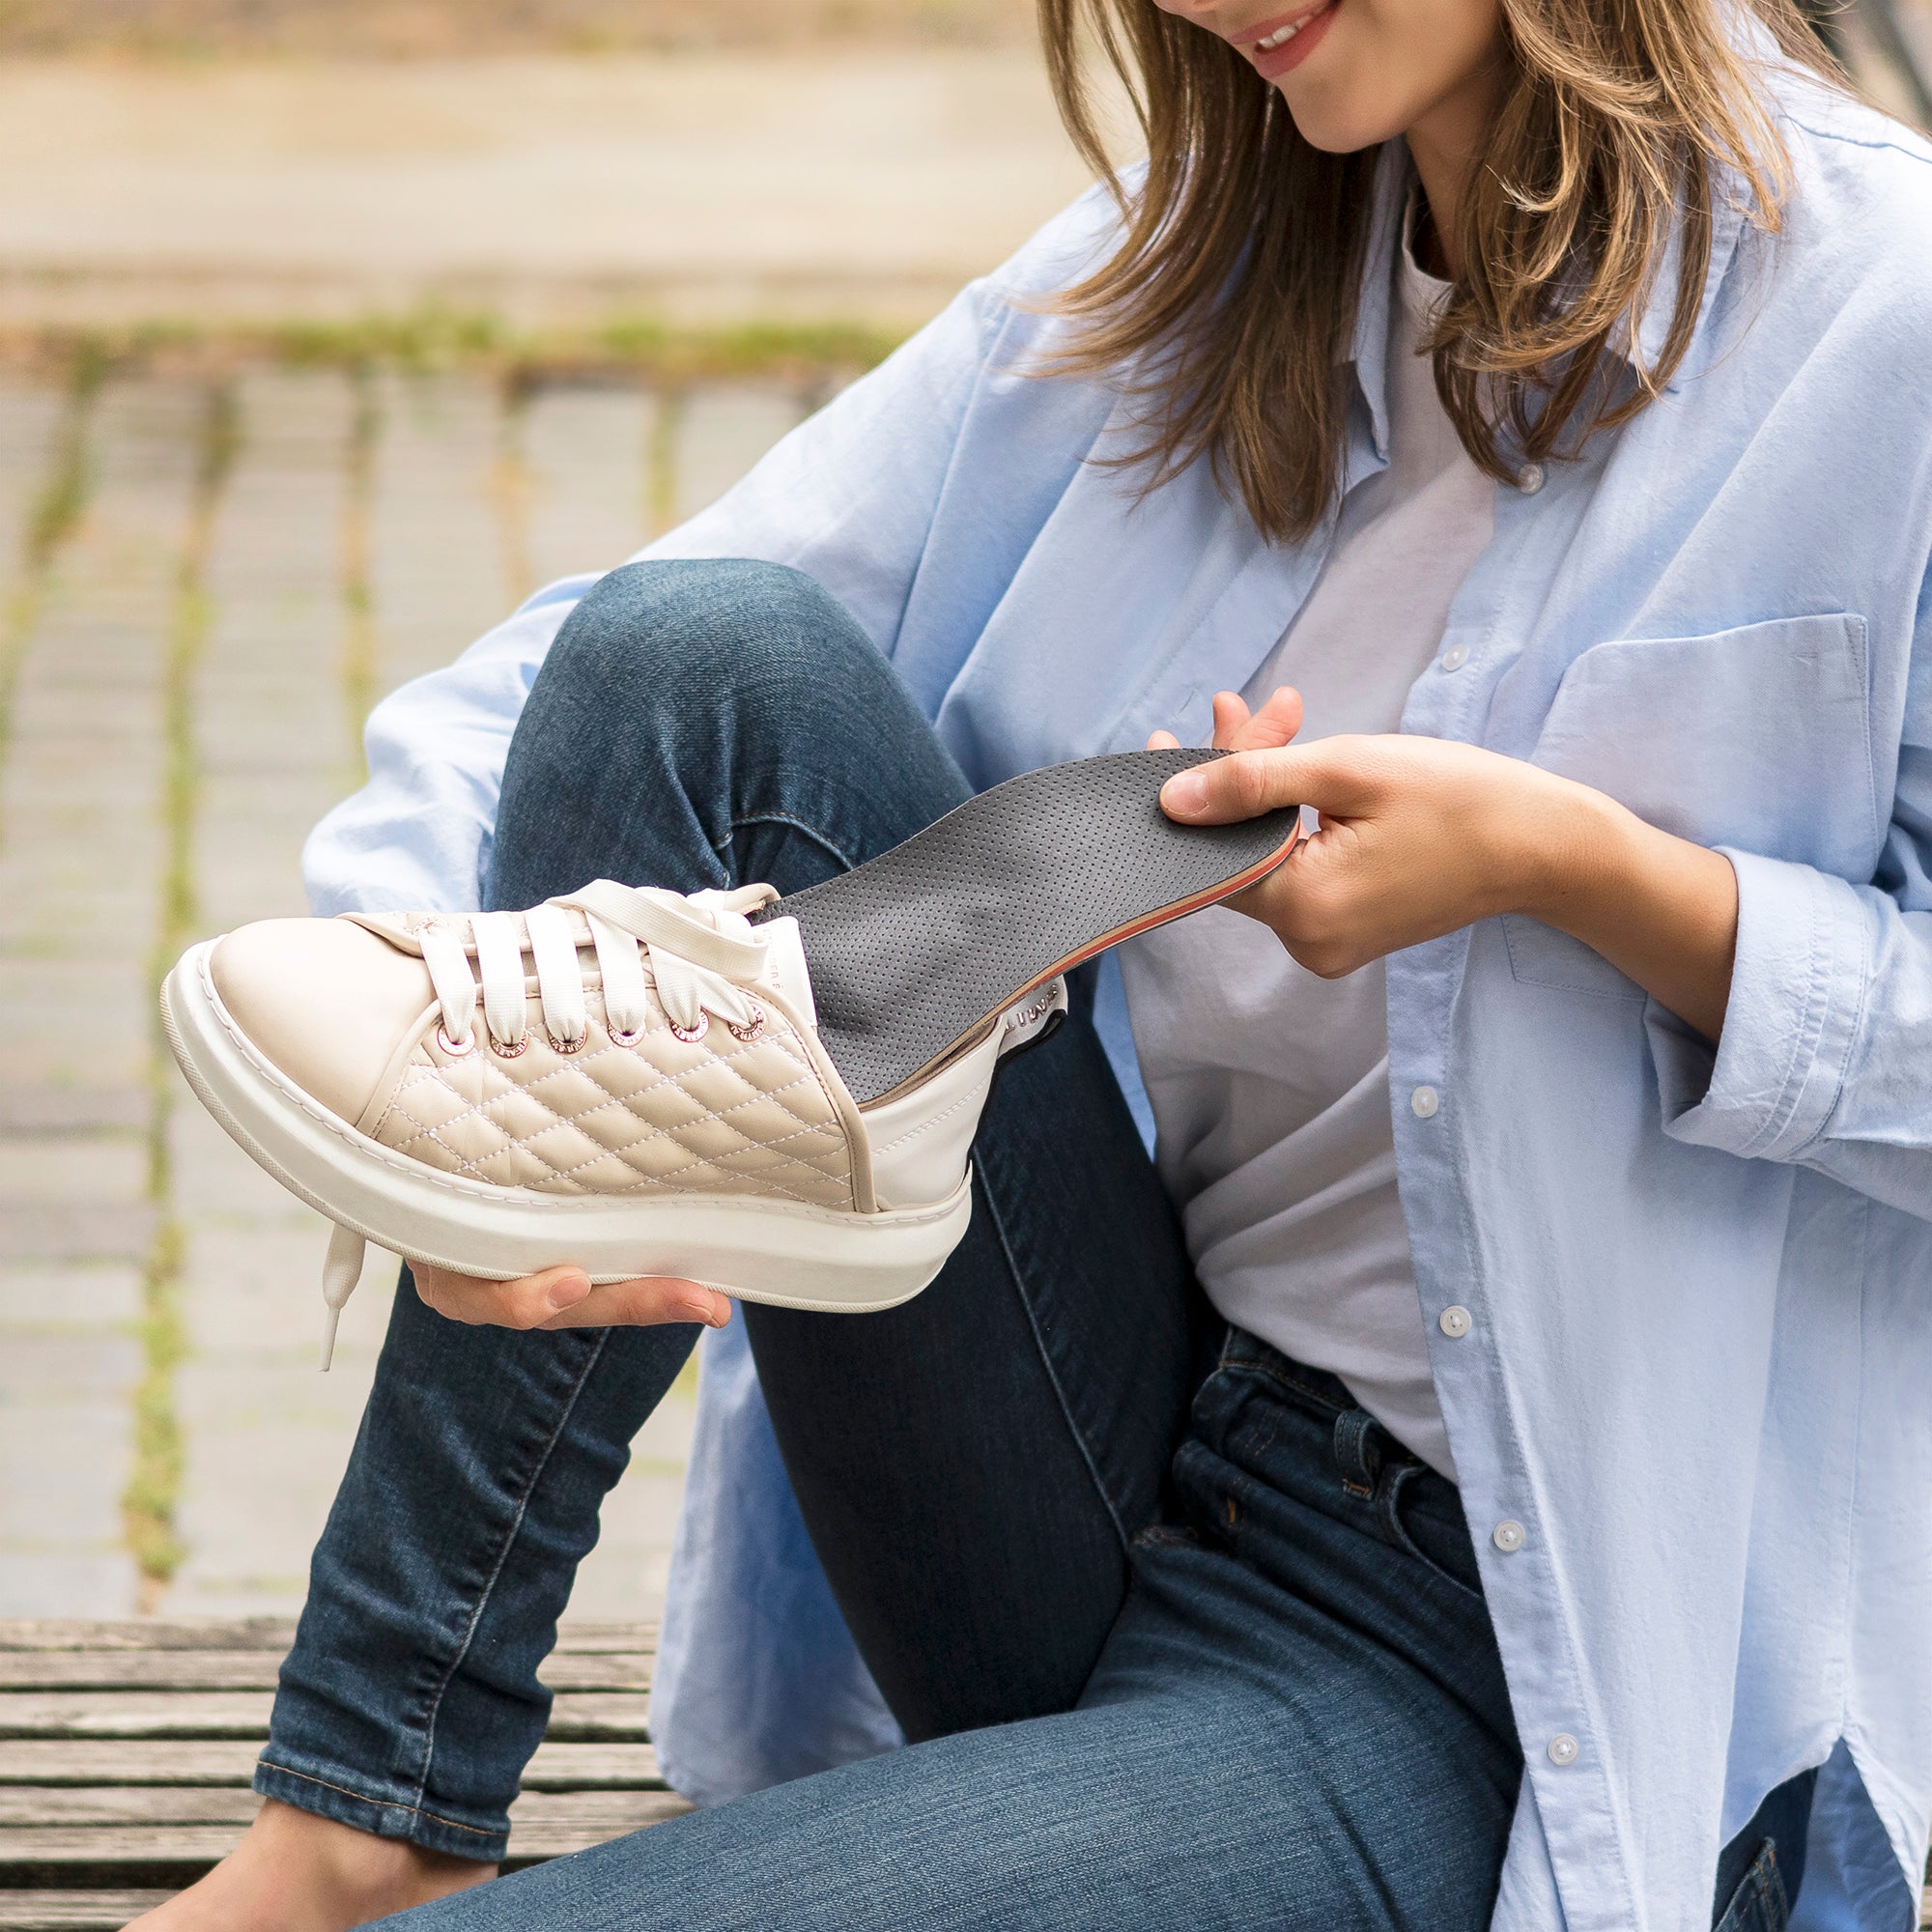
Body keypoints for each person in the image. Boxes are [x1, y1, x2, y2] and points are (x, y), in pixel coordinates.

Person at [131, 0, 1932, 1926]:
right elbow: (601, 669)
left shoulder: (1878, 320)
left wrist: (1583, 872)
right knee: (698, 664)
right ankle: (370, 1810)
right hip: (1108, 1441)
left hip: (1493, 1675)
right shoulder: (1202, 268)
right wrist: (436, 1087)